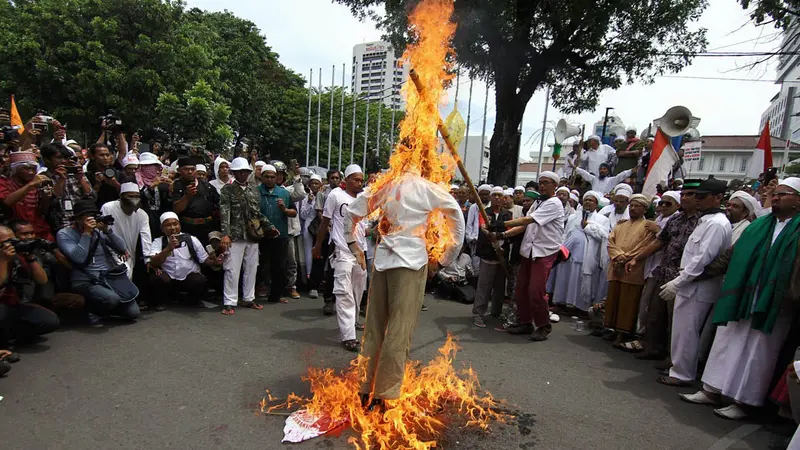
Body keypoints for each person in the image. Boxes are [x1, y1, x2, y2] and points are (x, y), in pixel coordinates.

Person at [342, 167, 465, 410]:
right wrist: (444, 260)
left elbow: (351, 214)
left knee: (374, 327)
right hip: (411, 263)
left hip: (384, 260)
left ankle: (365, 388)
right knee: (399, 330)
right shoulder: (428, 188)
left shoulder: (386, 184)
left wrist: (353, 246)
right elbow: (457, 222)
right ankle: (385, 394)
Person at [680, 177, 800, 419]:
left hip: (775, 304)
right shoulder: (759, 226)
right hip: (742, 295)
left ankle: (744, 401)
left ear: (798, 201)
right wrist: (694, 276)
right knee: (726, 341)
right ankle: (712, 389)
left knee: (757, 351)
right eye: (774, 193)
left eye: (783, 194)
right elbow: (729, 257)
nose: (775, 197)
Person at [657, 178, 731, 387]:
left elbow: (702, 260)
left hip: (698, 285)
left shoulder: (716, 223)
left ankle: (682, 373)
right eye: (696, 195)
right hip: (690, 282)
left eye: (702, 196)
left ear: (718, 198)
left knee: (687, 331)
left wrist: (678, 282)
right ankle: (678, 367)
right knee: (682, 330)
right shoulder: (706, 220)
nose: (697, 200)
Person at [625, 181, 701, 362]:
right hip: (663, 272)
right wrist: (637, 258)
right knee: (654, 313)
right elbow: (660, 242)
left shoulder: (702, 221)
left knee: (675, 319)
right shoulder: (676, 219)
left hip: (682, 277)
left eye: (689, 194)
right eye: (683, 194)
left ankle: (671, 357)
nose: (685, 198)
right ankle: (652, 348)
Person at [496, 171, 565, 342]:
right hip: (529, 251)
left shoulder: (554, 203)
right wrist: (503, 234)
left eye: (546, 182)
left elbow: (528, 221)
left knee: (536, 291)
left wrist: (502, 224)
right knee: (521, 289)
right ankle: (526, 322)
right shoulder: (538, 203)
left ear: (555, 186)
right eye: (540, 182)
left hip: (544, 252)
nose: (542, 185)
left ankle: (543, 325)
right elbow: (524, 226)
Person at [57, 200, 140, 327]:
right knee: (112, 299)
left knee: (133, 313)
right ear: (78, 219)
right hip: (86, 280)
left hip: (108, 276)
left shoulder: (99, 230)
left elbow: (122, 248)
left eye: (94, 215)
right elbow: (78, 258)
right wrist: (86, 233)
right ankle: (91, 311)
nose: (92, 219)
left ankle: (106, 310)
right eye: (87, 216)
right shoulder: (65, 234)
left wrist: (108, 231)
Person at [314, 164, 366, 351]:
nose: (360, 183)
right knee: (344, 293)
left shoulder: (364, 198)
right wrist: (318, 245)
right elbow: (325, 222)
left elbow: (364, 228)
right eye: (356, 179)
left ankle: (354, 322)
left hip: (360, 253)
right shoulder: (335, 195)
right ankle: (348, 336)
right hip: (342, 251)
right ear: (347, 179)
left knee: (358, 290)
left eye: (361, 180)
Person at [218, 157, 278, 316]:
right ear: (235, 173)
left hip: (252, 234)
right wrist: (225, 234)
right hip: (235, 235)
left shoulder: (253, 190)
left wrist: (269, 226)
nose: (243, 174)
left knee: (252, 268)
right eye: (240, 172)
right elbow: (225, 213)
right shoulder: (227, 189)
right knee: (232, 269)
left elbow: (257, 213)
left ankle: (248, 298)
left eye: (246, 171)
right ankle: (230, 301)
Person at [605, 194, 657, 347]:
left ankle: (623, 333)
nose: (633, 208)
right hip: (616, 266)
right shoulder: (620, 224)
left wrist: (626, 257)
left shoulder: (648, 226)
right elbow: (610, 242)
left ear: (645, 209)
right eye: (632, 205)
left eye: (637, 206)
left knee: (628, 301)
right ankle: (612, 328)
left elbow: (645, 246)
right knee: (614, 298)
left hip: (633, 267)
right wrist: (618, 257)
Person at [549, 191, 610, 315]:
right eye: (586, 200)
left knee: (581, 282)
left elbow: (604, 236)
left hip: (587, 256)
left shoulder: (602, 219)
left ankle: (580, 308)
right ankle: (562, 304)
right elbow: (565, 234)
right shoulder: (573, 217)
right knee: (565, 278)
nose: (588, 202)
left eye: (591, 200)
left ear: (596, 204)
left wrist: (588, 226)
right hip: (570, 254)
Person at [0, 226, 59, 351]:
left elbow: (42, 280)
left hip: (15, 305)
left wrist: (30, 258)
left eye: (13, 240)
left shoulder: (19, 256)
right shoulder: (4, 258)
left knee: (50, 321)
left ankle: (12, 335)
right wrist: (3, 261)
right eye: (6, 242)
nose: (12, 245)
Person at [148, 212, 219, 311]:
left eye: (175, 224)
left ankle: (192, 300)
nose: (173, 228)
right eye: (168, 225)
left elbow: (204, 259)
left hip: (188, 276)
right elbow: (154, 262)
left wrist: (215, 262)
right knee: (157, 279)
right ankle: (161, 302)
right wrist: (168, 248)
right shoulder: (158, 242)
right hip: (169, 277)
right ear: (162, 228)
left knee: (199, 281)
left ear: (180, 225)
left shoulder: (191, 239)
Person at [472, 186, 512, 328]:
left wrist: (501, 242)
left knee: (500, 287)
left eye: (499, 195)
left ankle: (496, 312)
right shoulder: (485, 212)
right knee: (484, 286)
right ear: (490, 197)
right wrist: (490, 235)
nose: (496, 197)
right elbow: (483, 226)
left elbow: (509, 230)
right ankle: (478, 314)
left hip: (501, 254)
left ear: (503, 198)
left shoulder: (508, 214)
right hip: (487, 254)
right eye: (494, 195)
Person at [257, 164, 296, 303]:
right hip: (260, 235)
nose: (269, 179)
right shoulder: (255, 192)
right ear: (261, 177)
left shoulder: (284, 193)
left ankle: (277, 294)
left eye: (272, 177)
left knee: (279, 265)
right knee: (262, 264)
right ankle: (262, 289)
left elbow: (294, 212)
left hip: (280, 235)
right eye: (266, 176)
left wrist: (284, 210)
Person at [100, 182, 152, 279]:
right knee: (124, 273)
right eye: (130, 196)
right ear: (121, 196)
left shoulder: (142, 214)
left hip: (129, 251)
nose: (134, 199)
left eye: (136, 196)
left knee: (128, 275)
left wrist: (147, 258)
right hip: (110, 247)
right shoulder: (108, 207)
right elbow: (102, 230)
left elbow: (146, 237)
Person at [0, 151, 54, 241]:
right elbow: (7, 202)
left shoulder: (35, 184)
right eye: (26, 169)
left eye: (33, 169)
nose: (31, 172)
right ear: (15, 169)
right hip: (15, 231)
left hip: (38, 229)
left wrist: (46, 199)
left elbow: (42, 211)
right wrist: (30, 186)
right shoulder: (5, 182)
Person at [41, 144, 94, 232]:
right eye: (59, 158)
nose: (63, 161)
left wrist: (80, 179)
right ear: (47, 159)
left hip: (84, 223)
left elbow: (92, 196)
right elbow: (53, 202)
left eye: (66, 158)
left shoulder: (76, 174)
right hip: (62, 225)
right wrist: (61, 179)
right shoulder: (44, 178)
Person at [273, 160, 307, 300]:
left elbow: (301, 193)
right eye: (276, 174)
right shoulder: (264, 189)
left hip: (288, 232)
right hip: (271, 231)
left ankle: (291, 286)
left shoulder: (288, 190)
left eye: (281, 174)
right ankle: (269, 286)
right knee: (271, 261)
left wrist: (297, 175)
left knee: (291, 261)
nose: (279, 177)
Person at [169, 156, 219, 247]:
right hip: (186, 229)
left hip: (206, 229)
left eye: (193, 169)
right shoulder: (175, 186)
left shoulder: (207, 186)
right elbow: (175, 209)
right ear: (179, 170)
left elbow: (219, 204)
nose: (190, 172)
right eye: (186, 169)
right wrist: (186, 196)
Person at [312, 169, 342, 314]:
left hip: (349, 239)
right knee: (330, 267)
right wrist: (328, 227)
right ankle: (328, 299)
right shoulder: (324, 193)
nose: (335, 180)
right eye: (332, 178)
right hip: (330, 236)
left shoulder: (350, 194)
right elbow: (321, 213)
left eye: (337, 178)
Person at [300, 174, 323, 294]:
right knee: (308, 253)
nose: (314, 185)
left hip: (321, 227)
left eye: (316, 183)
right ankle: (308, 277)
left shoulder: (324, 196)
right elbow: (303, 215)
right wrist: (309, 202)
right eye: (312, 183)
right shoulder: (305, 197)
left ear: (320, 185)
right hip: (309, 228)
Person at [466, 184, 492, 272]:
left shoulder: (492, 207)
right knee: (476, 263)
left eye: (486, 194)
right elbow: (469, 224)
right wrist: (471, 237)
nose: (484, 196)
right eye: (482, 194)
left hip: (488, 239)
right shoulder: (474, 207)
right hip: (476, 239)